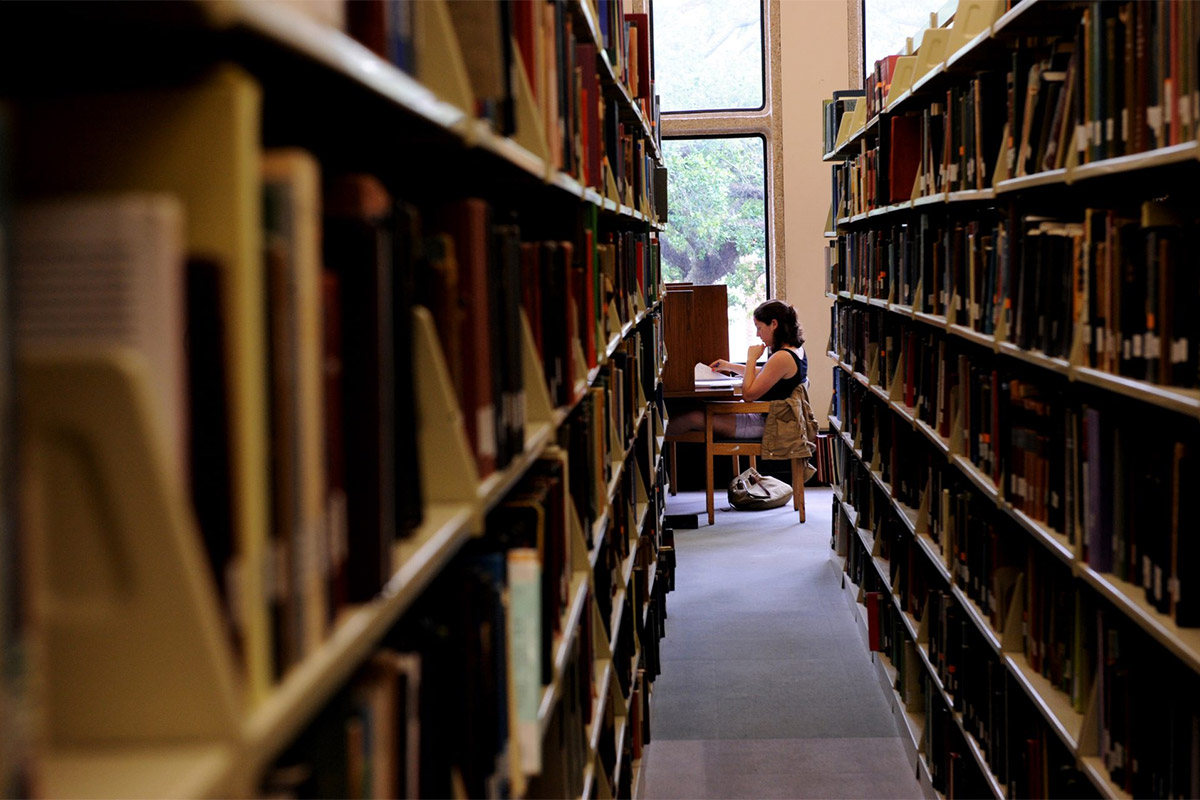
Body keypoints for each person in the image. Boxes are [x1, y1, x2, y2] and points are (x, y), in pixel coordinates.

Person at [666, 298, 808, 440]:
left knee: (693, 417)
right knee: (696, 408)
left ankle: (653, 443)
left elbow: (748, 395)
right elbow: (766, 374)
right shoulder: (795, 350)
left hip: (765, 423)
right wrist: (729, 366)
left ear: (774, 324)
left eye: (759, 328)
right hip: (767, 418)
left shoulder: (782, 357)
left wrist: (751, 359)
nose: (758, 334)